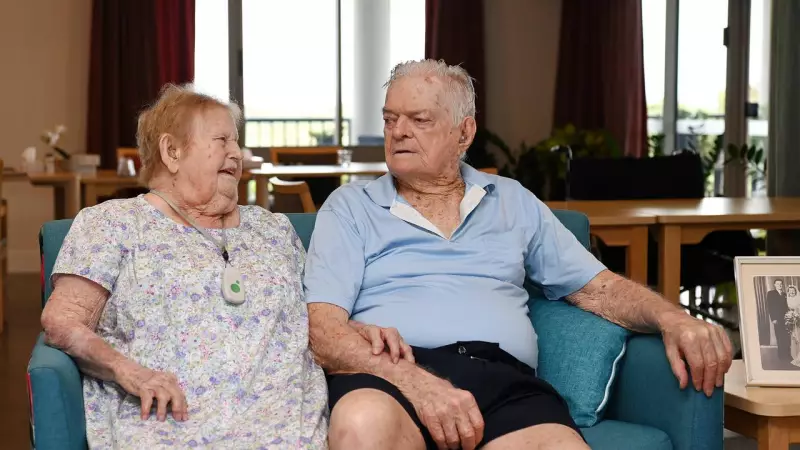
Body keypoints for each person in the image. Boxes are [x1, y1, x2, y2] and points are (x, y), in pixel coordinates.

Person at [303, 59, 733, 450]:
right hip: (391, 376)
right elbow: (321, 329)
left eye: (419, 120)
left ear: (464, 133)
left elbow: (597, 289)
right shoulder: (350, 207)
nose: (398, 132)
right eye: (390, 118)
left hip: (502, 381)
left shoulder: (512, 200)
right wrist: (416, 382)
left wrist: (671, 318)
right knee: (360, 423)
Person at [40, 85, 329, 448]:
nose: (236, 153)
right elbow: (62, 321)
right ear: (172, 152)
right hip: (169, 420)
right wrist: (130, 372)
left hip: (283, 424)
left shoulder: (273, 229)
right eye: (222, 140)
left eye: (237, 142)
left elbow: (321, 319)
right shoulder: (113, 223)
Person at [767, 278, 791, 362]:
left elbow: (787, 306)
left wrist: (790, 316)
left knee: (786, 337)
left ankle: (788, 354)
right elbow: (770, 307)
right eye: (778, 284)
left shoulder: (785, 294)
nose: (780, 285)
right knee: (780, 337)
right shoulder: (771, 294)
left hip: (786, 319)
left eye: (781, 284)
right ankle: (781, 356)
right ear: (775, 285)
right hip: (777, 319)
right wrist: (773, 319)